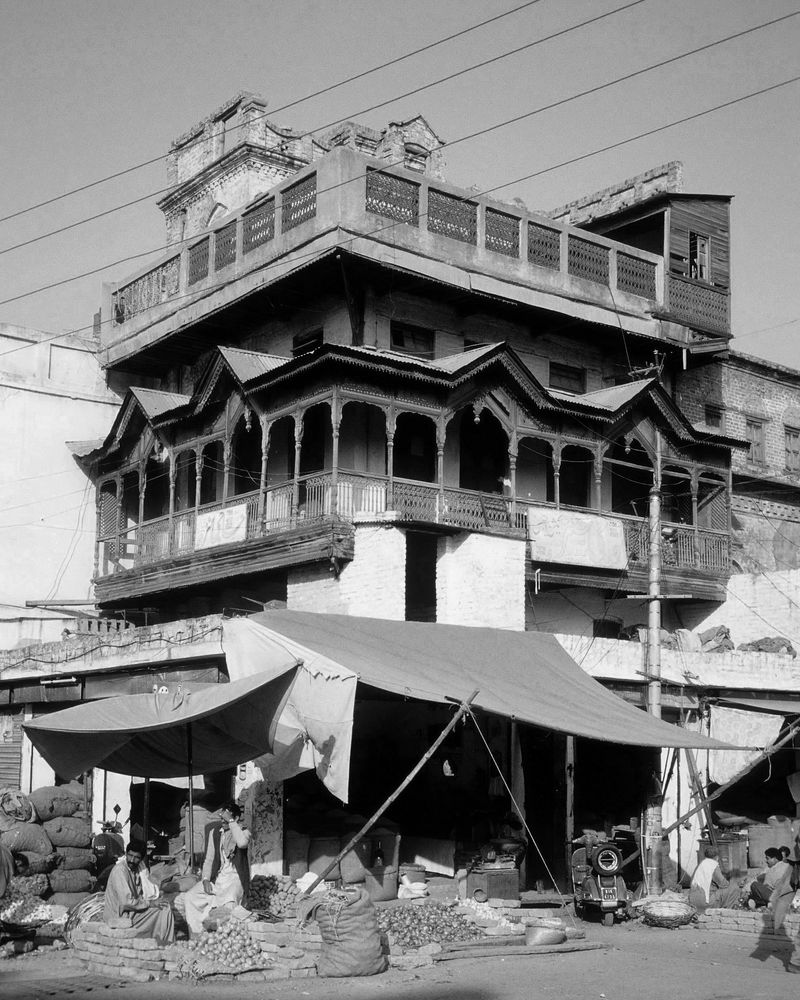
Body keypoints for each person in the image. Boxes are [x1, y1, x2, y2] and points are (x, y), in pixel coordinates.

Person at [184, 801, 251, 935]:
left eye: (226, 819)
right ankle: (197, 934)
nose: (223, 821)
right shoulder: (215, 833)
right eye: (222, 818)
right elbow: (209, 859)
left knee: (229, 903)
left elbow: (242, 843)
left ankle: (226, 938)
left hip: (235, 879)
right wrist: (205, 879)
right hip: (218, 879)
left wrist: (232, 822)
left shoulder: (243, 831)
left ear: (236, 818)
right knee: (190, 896)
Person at [103, 839, 175, 945]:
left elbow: (140, 895)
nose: (132, 860)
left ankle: (164, 943)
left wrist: (152, 901)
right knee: (162, 911)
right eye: (130, 855)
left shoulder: (136, 870)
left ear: (141, 859)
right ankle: (163, 944)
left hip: (131, 913)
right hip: (118, 917)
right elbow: (126, 902)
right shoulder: (120, 870)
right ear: (126, 854)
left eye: (136, 857)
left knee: (164, 908)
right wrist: (149, 903)